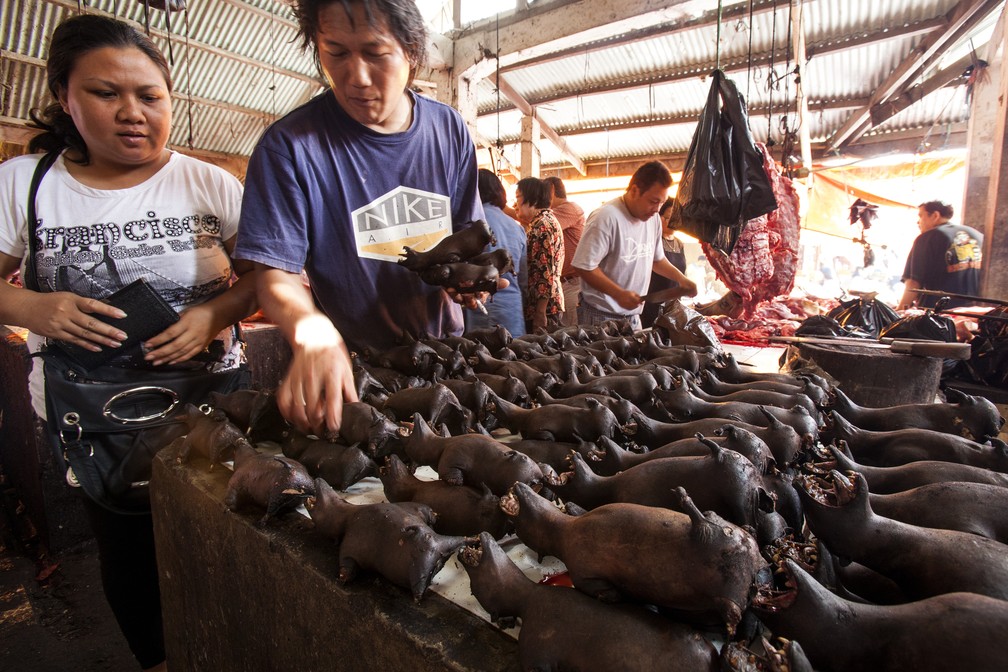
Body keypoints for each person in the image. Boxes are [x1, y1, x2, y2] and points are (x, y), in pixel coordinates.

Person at [0, 15, 257, 671]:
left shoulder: (211, 184)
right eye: (105, 94)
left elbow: (271, 281)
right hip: (98, 420)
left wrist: (213, 314)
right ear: (65, 96)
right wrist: (31, 304)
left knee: (229, 542)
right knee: (130, 553)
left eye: (150, 95)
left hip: (211, 408)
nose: (132, 114)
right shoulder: (25, 185)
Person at [233, 0, 486, 435]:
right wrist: (312, 332)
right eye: (337, 53)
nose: (357, 77)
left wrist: (468, 280)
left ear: (411, 50)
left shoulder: (449, 130)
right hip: (355, 375)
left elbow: (466, 236)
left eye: (375, 53)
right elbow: (275, 276)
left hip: (447, 359)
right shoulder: (291, 147)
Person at [571, 161, 697, 330]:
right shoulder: (606, 217)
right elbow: (584, 266)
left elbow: (657, 260)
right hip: (599, 316)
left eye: (661, 203)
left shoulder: (653, 220)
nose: (657, 209)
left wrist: (681, 279)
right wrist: (618, 294)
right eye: (653, 201)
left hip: (633, 317)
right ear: (635, 191)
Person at [464, 169, 526, 337]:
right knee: (515, 358)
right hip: (512, 306)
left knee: (482, 358)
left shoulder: (471, 223)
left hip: (482, 307)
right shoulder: (516, 227)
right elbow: (523, 278)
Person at [897, 200, 983, 310]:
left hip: (939, 313)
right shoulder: (977, 235)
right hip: (973, 312)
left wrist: (898, 313)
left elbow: (914, 283)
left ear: (935, 215)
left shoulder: (928, 237)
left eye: (921, 216)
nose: (918, 222)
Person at [514, 176, 564, 331]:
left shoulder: (542, 226)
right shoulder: (543, 221)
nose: (515, 205)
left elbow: (545, 273)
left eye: (518, 198)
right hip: (546, 307)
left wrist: (540, 313)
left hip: (544, 310)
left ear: (532, 199)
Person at [640, 197, 688, 328]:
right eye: (668, 218)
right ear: (658, 217)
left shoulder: (679, 243)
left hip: (673, 306)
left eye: (676, 219)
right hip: (651, 304)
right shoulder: (652, 241)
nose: (673, 223)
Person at [543, 175, 584, 326]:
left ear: (552, 191)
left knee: (572, 336)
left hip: (573, 284)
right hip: (565, 284)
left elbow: (544, 223)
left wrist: (507, 210)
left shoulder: (570, 208)